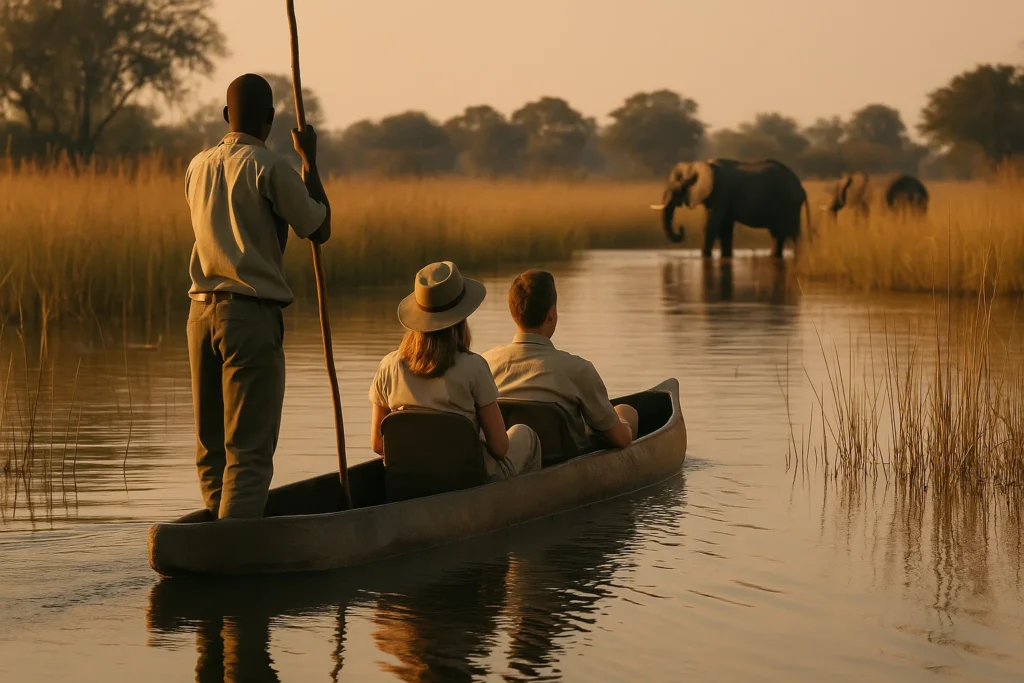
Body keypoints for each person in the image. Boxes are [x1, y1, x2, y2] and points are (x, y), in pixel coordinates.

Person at [185, 73, 332, 519]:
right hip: (249, 318)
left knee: (212, 448)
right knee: (248, 453)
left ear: (226, 116)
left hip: (199, 316)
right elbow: (318, 227)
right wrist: (310, 161)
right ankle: (234, 552)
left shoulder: (197, 165)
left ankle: (214, 540)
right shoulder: (269, 168)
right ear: (269, 120)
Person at [369, 261, 541, 481]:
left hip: (410, 479)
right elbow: (499, 447)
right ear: (461, 319)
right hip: (467, 479)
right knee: (526, 435)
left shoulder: (388, 366)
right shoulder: (474, 367)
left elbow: (377, 444)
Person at [483, 270, 638, 452]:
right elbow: (621, 439)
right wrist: (625, 421)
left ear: (513, 313)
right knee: (626, 411)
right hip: (565, 463)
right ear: (552, 314)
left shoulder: (486, 364)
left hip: (513, 462)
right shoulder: (578, 370)